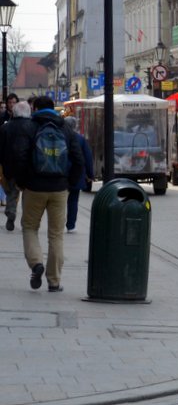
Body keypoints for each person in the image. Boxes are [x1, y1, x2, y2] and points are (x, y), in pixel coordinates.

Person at [14, 96, 84, 293]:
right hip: (59, 188)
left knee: (29, 227)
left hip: (34, 187)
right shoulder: (65, 128)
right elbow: (78, 159)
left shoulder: (29, 127)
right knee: (56, 234)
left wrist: (22, 182)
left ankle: (36, 263)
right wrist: (69, 183)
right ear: (53, 108)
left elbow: (20, 157)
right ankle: (54, 281)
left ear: (35, 108)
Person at [0, 99, 32, 231]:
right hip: (28, 167)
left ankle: (11, 212)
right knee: (27, 195)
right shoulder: (33, 126)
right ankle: (26, 219)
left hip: (10, 167)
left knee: (12, 193)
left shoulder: (5, 127)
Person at [63, 116, 94, 233]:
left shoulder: (59, 136)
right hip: (76, 173)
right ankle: (71, 225)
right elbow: (87, 157)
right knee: (73, 200)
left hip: (61, 173)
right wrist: (90, 174)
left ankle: (57, 223)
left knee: (58, 201)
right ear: (75, 126)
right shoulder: (80, 139)